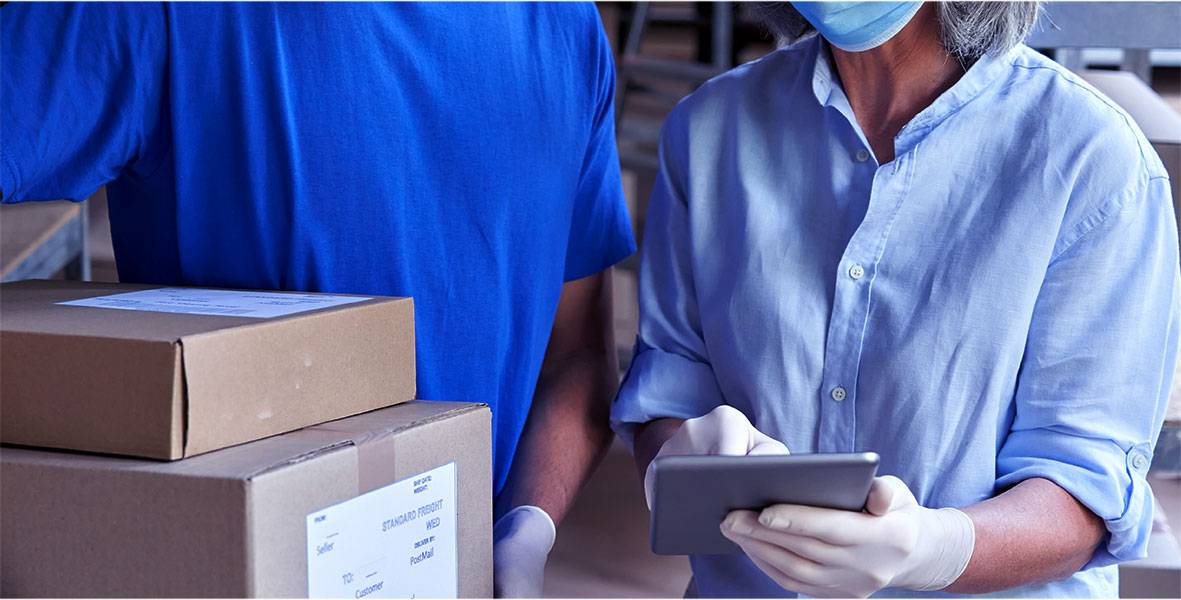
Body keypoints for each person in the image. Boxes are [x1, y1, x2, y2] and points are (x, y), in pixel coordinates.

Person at [1, 3, 635, 596]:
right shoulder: (169, 14)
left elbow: (575, 357)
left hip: (445, 567)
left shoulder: (563, 26)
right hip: (220, 568)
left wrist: (527, 528)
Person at [612, 1, 1178, 597]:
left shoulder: (1093, 161)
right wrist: (676, 455)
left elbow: (1084, 493)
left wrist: (936, 549)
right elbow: (670, 387)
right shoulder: (708, 131)